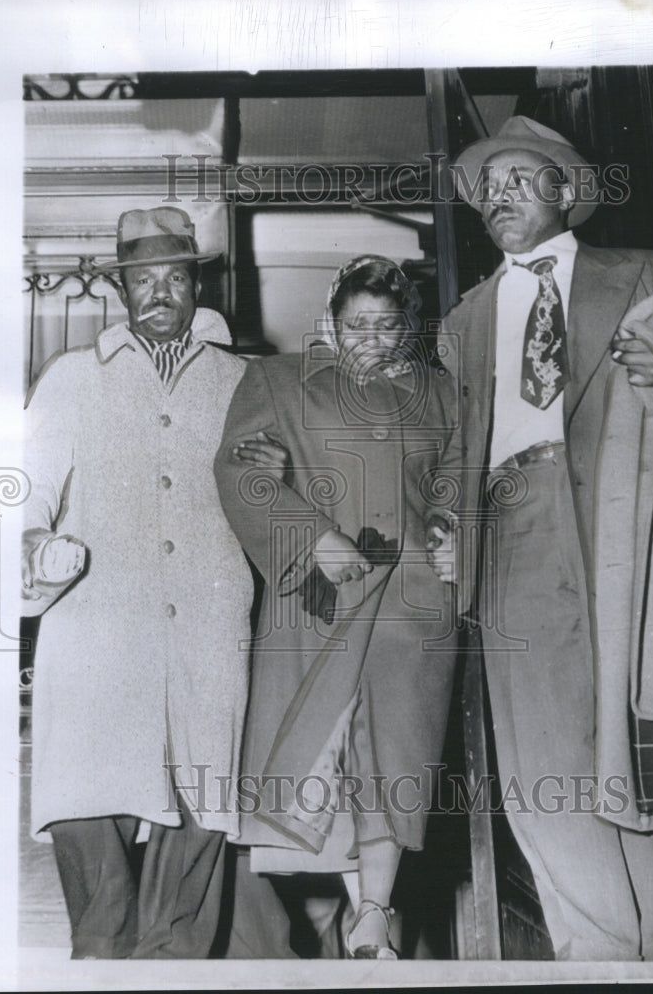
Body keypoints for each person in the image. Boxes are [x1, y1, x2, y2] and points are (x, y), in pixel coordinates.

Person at [441, 117, 653, 961]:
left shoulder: (644, 273)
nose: (499, 199)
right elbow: (456, 448)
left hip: (632, 544)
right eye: (487, 188)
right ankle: (595, 965)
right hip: (512, 550)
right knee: (545, 782)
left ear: (567, 194)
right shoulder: (465, 320)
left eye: (519, 180)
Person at [21, 206, 292, 959]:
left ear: (197, 282)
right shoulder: (73, 378)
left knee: (205, 790)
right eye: (143, 278)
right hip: (99, 621)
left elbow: (281, 496)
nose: (160, 292)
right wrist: (39, 542)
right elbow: (24, 495)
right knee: (87, 789)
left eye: (176, 276)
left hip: (209, 619)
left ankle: (171, 962)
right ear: (119, 285)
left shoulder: (246, 379)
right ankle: (100, 955)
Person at [214, 255, 461, 959]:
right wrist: (312, 536)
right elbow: (242, 473)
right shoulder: (278, 381)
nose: (373, 340)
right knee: (323, 758)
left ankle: (373, 915)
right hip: (319, 603)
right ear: (331, 321)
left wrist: (451, 535)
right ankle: (360, 921)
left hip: (411, 606)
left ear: (408, 328)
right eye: (358, 325)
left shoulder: (442, 394)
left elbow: (455, 479)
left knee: (394, 758)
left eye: (388, 327)